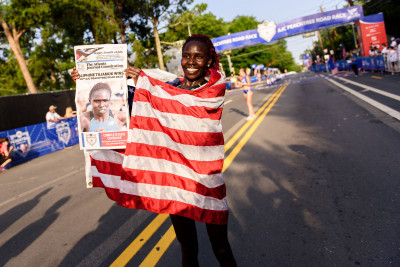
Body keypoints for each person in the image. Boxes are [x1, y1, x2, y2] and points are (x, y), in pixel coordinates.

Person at [74, 34, 237, 267]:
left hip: (205, 177)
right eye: (186, 56)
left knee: (221, 248)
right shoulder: (169, 87)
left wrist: (146, 82)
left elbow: (178, 101)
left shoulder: (212, 89)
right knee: (188, 247)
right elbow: (128, 105)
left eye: (198, 57)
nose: (191, 62)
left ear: (209, 62)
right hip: (176, 180)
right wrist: (86, 80)